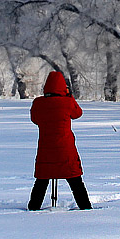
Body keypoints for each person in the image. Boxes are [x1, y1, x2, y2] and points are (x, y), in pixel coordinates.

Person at [27, 71, 92, 210]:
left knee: (42, 179)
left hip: (45, 149)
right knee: (75, 179)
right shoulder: (67, 102)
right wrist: (69, 96)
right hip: (65, 148)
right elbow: (78, 114)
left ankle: (34, 207)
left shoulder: (38, 103)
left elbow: (35, 119)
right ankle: (85, 206)